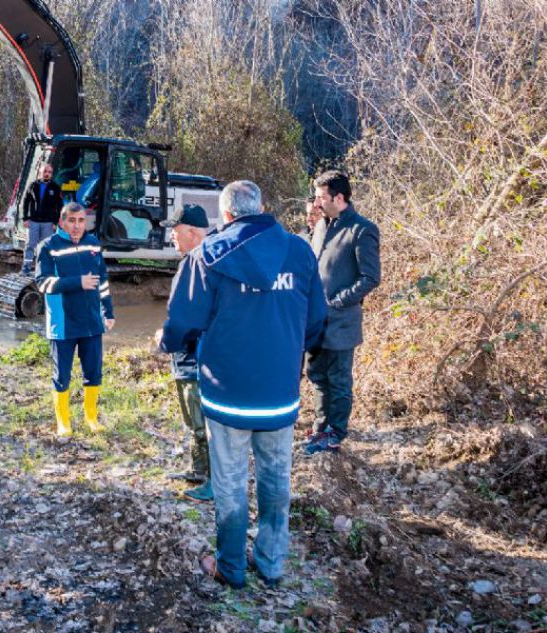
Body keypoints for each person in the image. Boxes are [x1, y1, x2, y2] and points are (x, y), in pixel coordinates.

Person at [160, 180, 327, 590]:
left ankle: (231, 567)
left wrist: (175, 344)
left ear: (227, 216)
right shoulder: (300, 251)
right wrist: (290, 351)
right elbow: (316, 320)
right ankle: (270, 562)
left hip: (227, 394)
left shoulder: (207, 256)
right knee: (275, 481)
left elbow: (182, 323)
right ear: (262, 207)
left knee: (231, 484)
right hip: (279, 396)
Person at [305, 171, 381, 454]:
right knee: (317, 377)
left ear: (339, 197)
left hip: (341, 322)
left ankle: (336, 433)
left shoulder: (362, 229)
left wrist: (337, 301)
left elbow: (370, 278)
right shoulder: (322, 225)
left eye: (321, 197)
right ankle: (319, 429)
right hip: (315, 321)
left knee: (338, 381)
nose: (316, 203)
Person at [35, 202, 115, 436]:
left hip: (92, 322)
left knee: (94, 372)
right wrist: (77, 282)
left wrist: (108, 312)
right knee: (62, 375)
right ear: (62, 222)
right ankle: (64, 422)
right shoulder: (48, 246)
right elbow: (43, 283)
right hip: (63, 324)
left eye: (81, 220)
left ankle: (91, 417)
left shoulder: (93, 244)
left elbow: (102, 281)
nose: (77, 226)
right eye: (72, 220)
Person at [153, 205, 213, 502]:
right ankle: (198, 469)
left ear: (191, 232)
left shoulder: (200, 263)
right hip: (188, 356)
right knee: (193, 420)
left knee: (202, 422)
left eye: (174, 231)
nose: (171, 237)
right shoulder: (197, 260)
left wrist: (167, 338)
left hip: (194, 358)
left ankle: (211, 480)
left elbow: (189, 319)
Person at [21, 163, 63, 275]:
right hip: (33, 222)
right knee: (30, 245)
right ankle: (26, 268)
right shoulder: (33, 186)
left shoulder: (55, 187)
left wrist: (55, 221)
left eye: (49, 172)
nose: (47, 174)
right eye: (45, 171)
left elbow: (59, 206)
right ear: (40, 172)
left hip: (48, 223)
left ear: (51, 174)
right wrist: (25, 218)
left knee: (46, 247)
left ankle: (44, 270)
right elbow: (26, 202)